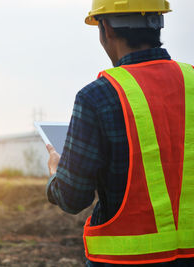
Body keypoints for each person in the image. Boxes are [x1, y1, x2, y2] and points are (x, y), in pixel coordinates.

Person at [45, 0, 194, 266]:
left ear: (106, 30)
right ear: (158, 23)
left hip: (125, 260)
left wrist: (57, 173)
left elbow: (73, 197)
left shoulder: (97, 97)